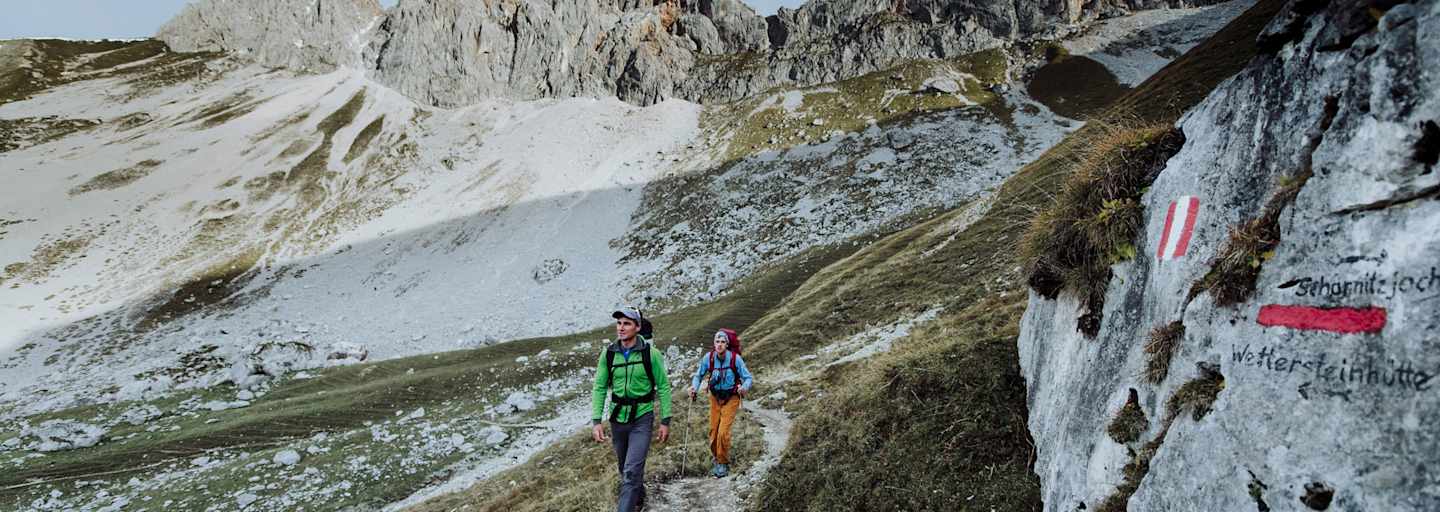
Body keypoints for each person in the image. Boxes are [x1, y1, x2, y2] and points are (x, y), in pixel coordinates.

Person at [591, 307, 672, 512]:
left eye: (627, 323)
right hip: (617, 419)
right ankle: (638, 496)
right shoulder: (608, 354)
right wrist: (596, 420)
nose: (621, 327)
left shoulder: (651, 354)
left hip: (642, 418)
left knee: (630, 471)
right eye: (619, 323)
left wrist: (665, 420)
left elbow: (663, 386)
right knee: (625, 469)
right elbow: (600, 387)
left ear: (637, 327)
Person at [687, 329, 753, 478]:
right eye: (717, 341)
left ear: (727, 344)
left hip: (732, 398)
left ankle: (722, 463)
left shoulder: (735, 359)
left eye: (723, 342)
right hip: (715, 397)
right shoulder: (708, 358)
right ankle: (717, 457)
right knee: (713, 431)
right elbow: (698, 375)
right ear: (714, 343)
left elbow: (748, 377)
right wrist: (694, 388)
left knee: (723, 432)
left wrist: (744, 388)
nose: (720, 345)